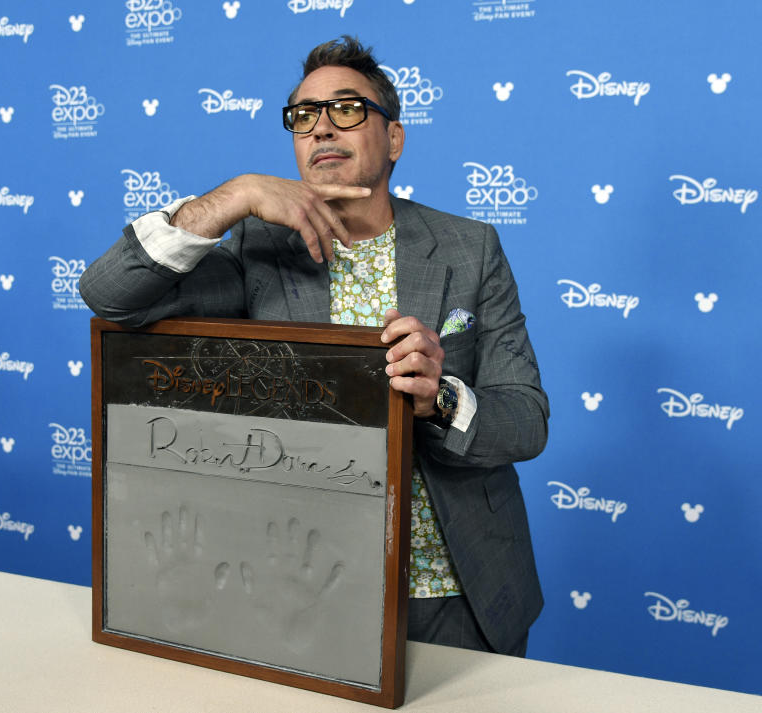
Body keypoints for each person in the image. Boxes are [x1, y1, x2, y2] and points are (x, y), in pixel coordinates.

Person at [80, 36, 548, 657]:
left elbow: (527, 421)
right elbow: (110, 294)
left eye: (347, 109)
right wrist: (232, 198)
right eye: (304, 117)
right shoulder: (258, 250)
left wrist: (440, 399)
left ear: (395, 138)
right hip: (310, 588)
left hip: (460, 591)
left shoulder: (471, 248)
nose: (323, 127)